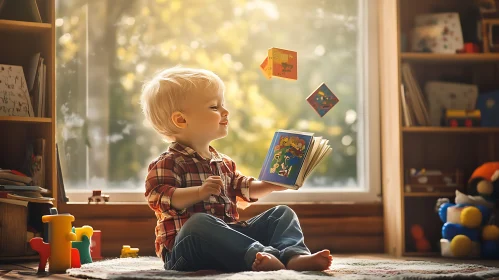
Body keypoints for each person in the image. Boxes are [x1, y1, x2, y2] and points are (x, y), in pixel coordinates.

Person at [140, 66, 333, 272]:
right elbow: (158, 198)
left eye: (222, 105)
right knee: (199, 223)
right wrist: (199, 192)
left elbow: (244, 189)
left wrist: (269, 185)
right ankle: (261, 255)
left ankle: (294, 255)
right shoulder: (167, 163)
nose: (225, 111)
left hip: (230, 241)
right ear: (181, 120)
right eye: (214, 107)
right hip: (186, 249)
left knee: (282, 214)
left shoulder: (223, 162)